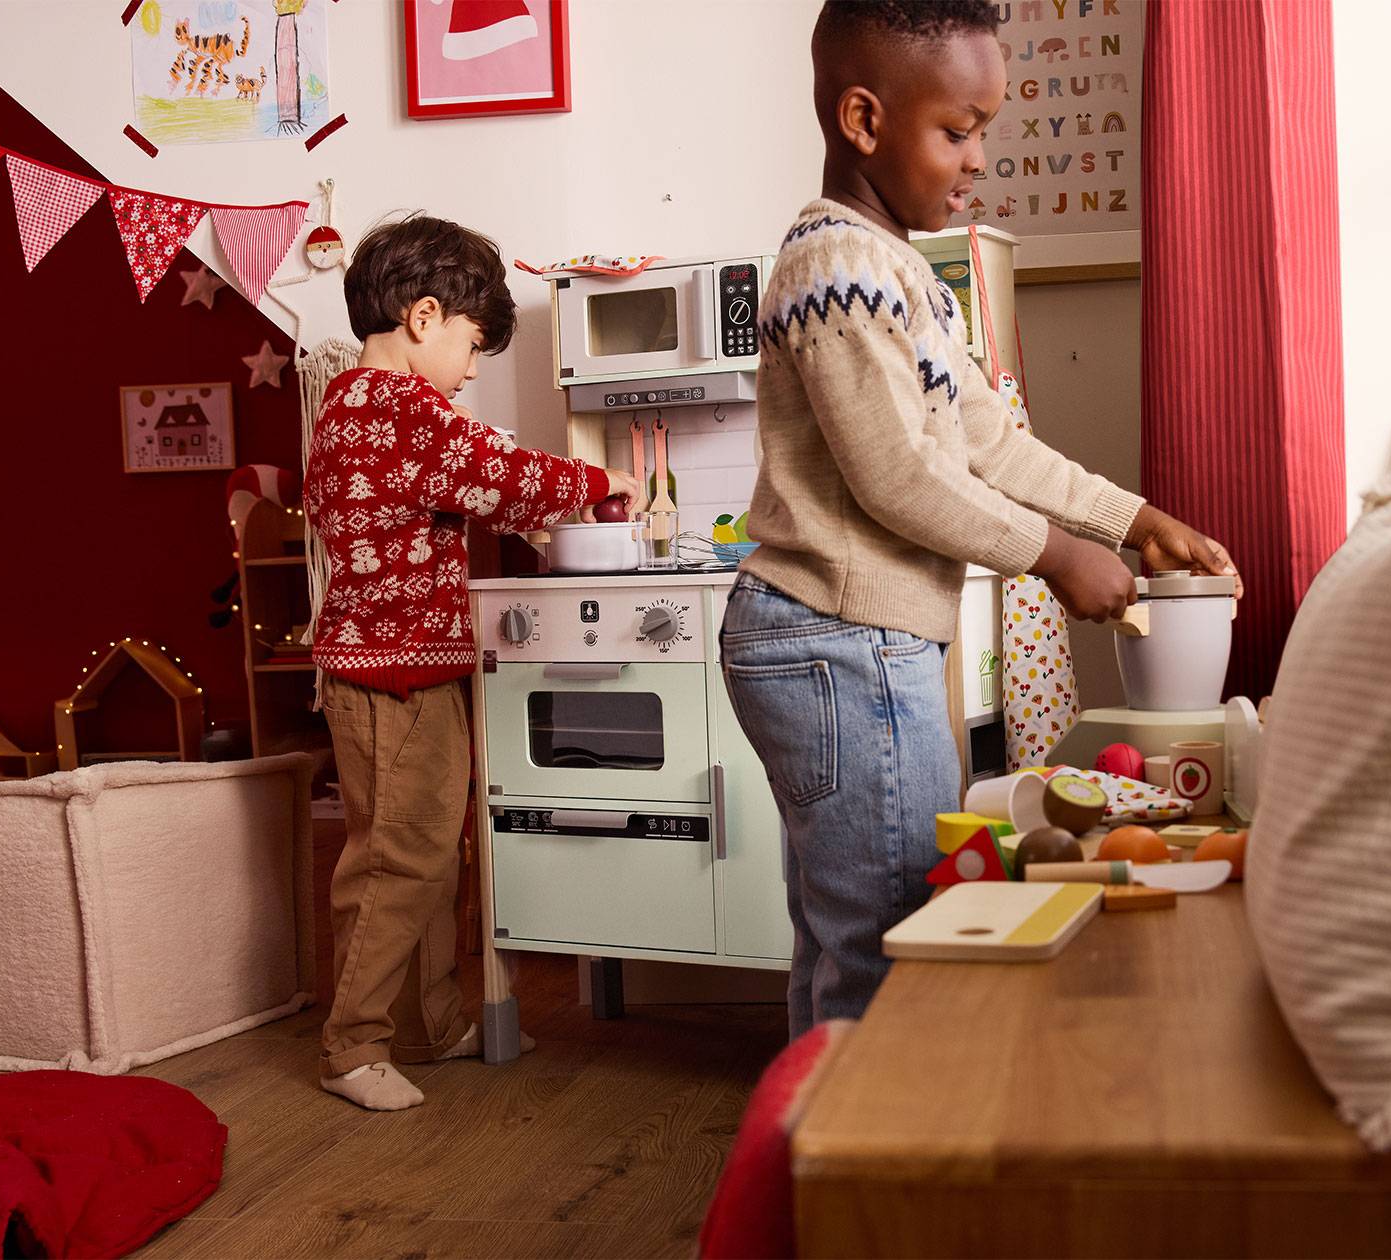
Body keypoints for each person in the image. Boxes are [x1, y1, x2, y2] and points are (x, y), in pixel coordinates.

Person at [721, 0, 1243, 1038]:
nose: (977, 160)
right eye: (957, 131)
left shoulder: (900, 270)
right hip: (836, 641)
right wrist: (1054, 555)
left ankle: (808, 1158)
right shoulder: (834, 268)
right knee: (889, 935)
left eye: (985, 132)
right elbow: (899, 480)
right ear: (863, 121)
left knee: (847, 932)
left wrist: (1131, 516)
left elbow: (987, 443)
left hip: (851, 642)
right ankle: (864, 1176)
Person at [304, 214, 642, 1109]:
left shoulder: (352, 404)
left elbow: (451, 488)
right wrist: (602, 482)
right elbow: (499, 472)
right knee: (397, 862)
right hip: (391, 674)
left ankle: (434, 1022)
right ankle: (352, 1046)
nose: (470, 370)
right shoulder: (398, 407)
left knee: (431, 857)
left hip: (410, 666)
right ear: (423, 318)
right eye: (470, 347)